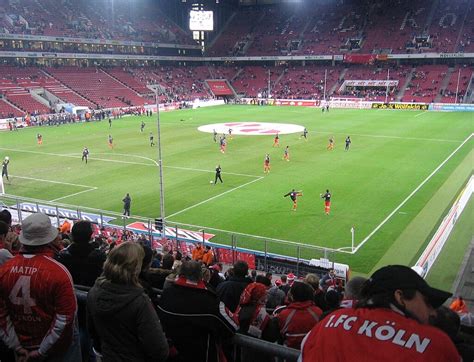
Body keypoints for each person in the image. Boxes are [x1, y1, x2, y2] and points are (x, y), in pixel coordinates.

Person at [300, 265, 460, 361]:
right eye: (427, 302)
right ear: (400, 297)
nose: (433, 312)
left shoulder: (329, 322)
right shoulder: (437, 344)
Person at [0, 213, 81, 361]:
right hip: (53, 351)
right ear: (48, 239)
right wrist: (41, 351)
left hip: (20, 348)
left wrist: (16, 346)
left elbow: (1, 315)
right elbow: (65, 319)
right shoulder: (58, 272)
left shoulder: (5, 269)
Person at [87, 242, 169, 361]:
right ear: (135, 268)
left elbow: (93, 333)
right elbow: (159, 350)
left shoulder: (93, 292)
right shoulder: (140, 301)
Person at [158, 261, 236, 362]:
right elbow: (232, 327)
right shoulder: (210, 301)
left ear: (180, 274)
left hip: (170, 355)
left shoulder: (166, 294)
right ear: (200, 277)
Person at [274, 281, 322, 349]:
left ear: (293, 296)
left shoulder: (284, 314)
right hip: (311, 350)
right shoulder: (318, 312)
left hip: (289, 352)